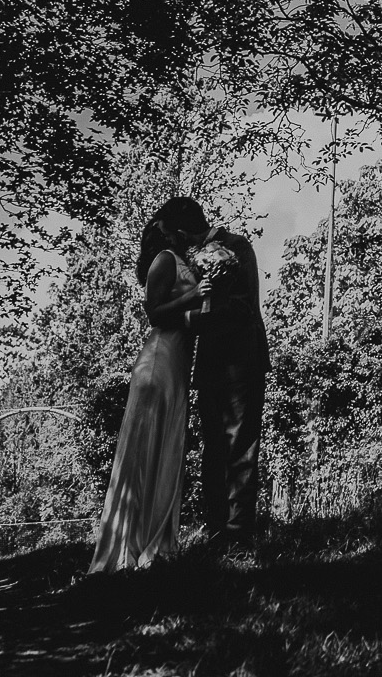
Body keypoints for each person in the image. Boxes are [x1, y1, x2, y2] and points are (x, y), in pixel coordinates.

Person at [86, 213, 203, 572]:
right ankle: (130, 544)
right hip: (159, 362)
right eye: (176, 225)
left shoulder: (185, 261)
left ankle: (155, 543)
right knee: (145, 448)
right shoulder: (164, 260)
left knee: (166, 446)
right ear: (165, 232)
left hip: (179, 362)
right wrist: (196, 296)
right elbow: (154, 313)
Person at [166, 197, 269, 544]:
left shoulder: (237, 246)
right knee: (213, 449)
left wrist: (191, 317)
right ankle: (215, 531)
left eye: (174, 238)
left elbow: (244, 306)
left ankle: (239, 535)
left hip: (242, 360)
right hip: (210, 362)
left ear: (182, 232)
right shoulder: (192, 260)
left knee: (240, 447)